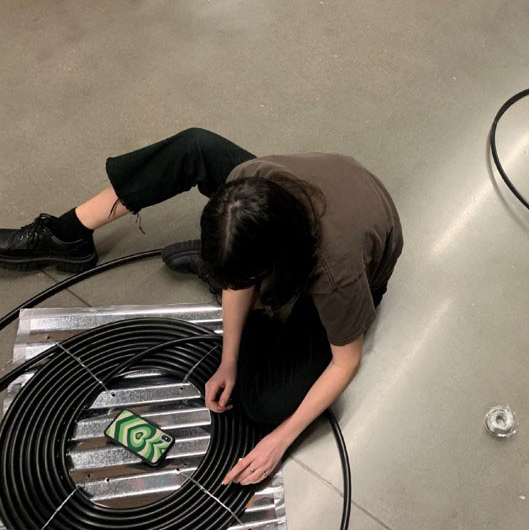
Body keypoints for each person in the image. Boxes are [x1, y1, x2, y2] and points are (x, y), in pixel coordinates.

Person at [0, 128, 403, 485]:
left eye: (241, 278)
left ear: (274, 265)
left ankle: (248, 286)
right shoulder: (248, 183)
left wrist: (280, 440)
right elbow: (244, 267)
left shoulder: (337, 274)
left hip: (361, 254)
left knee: (266, 404)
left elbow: (344, 363)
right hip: (304, 204)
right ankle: (66, 236)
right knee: (197, 145)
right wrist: (228, 360)